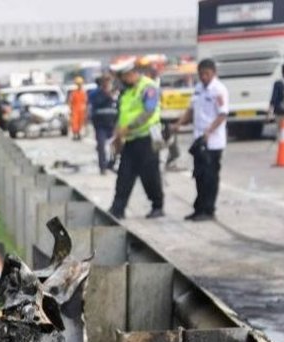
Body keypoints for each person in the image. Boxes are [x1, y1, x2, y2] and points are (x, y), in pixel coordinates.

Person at [108, 59, 165, 220]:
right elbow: (123, 116)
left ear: (131, 73)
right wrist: (117, 134)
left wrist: (129, 127)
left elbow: (148, 111)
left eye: (123, 77)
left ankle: (157, 205)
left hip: (148, 137)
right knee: (124, 174)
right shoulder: (126, 93)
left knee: (150, 175)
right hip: (131, 139)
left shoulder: (148, 87)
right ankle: (117, 209)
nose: (122, 81)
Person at [172, 59, 228, 221]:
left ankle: (208, 210)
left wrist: (209, 131)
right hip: (199, 140)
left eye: (207, 74)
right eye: (201, 74)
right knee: (199, 176)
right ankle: (199, 208)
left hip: (213, 142)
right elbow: (191, 111)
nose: (204, 77)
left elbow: (222, 114)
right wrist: (179, 124)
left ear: (213, 73)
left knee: (210, 177)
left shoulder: (219, 90)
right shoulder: (198, 89)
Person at [89, 75, 119, 173]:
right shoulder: (95, 93)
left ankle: (112, 163)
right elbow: (95, 103)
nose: (107, 84)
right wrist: (107, 95)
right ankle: (103, 167)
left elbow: (120, 106)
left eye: (109, 82)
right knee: (101, 145)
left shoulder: (116, 93)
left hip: (113, 124)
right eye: (105, 82)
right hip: (100, 125)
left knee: (116, 146)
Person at [68, 76, 88, 141]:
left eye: (80, 84)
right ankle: (75, 134)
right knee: (74, 123)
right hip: (75, 110)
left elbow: (85, 101)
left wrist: (86, 110)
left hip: (82, 110)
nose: (80, 85)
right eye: (78, 84)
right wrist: (70, 110)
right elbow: (71, 102)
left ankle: (79, 134)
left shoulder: (83, 92)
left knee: (80, 122)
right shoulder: (74, 93)